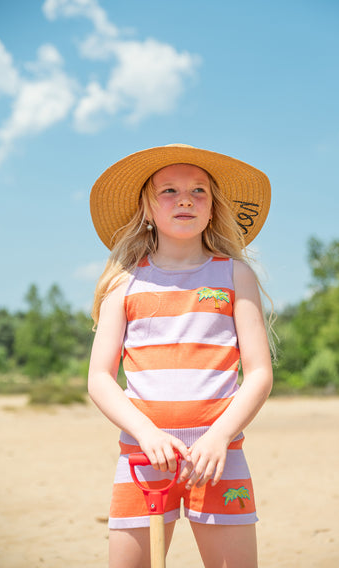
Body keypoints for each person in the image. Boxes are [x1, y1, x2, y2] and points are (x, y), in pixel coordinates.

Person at [88, 144, 274, 568]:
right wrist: (146, 433)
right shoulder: (124, 283)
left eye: (199, 191)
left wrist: (220, 436)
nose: (185, 199)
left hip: (218, 456)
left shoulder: (234, 274)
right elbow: (99, 377)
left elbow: (259, 372)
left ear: (213, 209)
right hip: (143, 457)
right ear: (147, 210)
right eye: (168, 190)